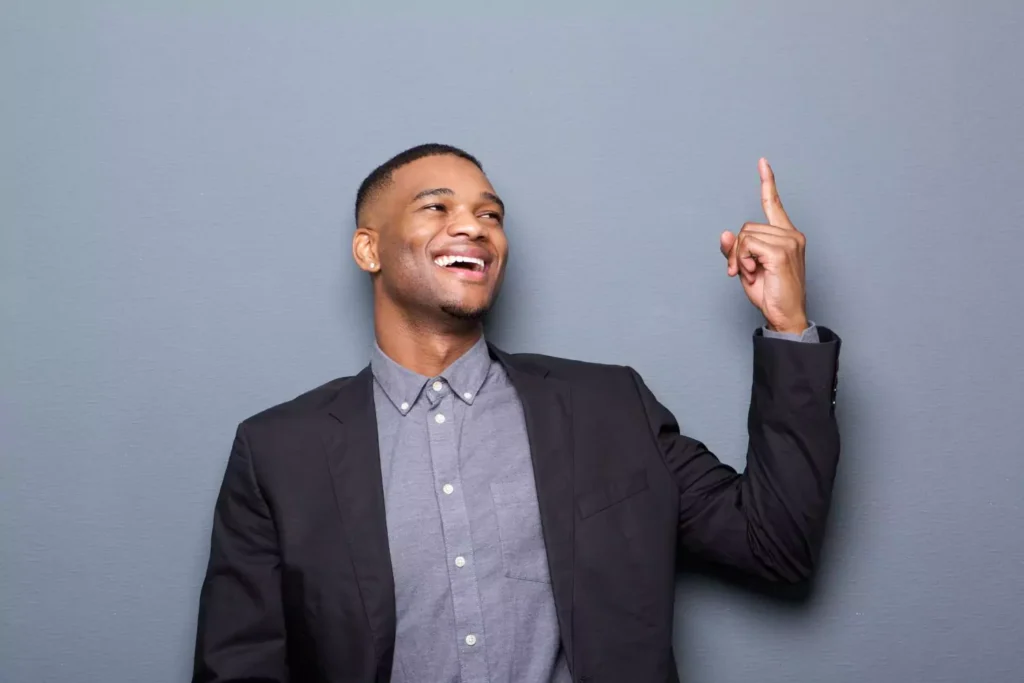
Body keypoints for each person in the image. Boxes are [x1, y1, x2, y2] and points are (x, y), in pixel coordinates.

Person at [192, 143, 841, 683]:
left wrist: (788, 327)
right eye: (437, 206)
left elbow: (775, 545)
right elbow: (240, 665)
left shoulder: (610, 408)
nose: (474, 225)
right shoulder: (278, 453)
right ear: (369, 249)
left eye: (490, 214)